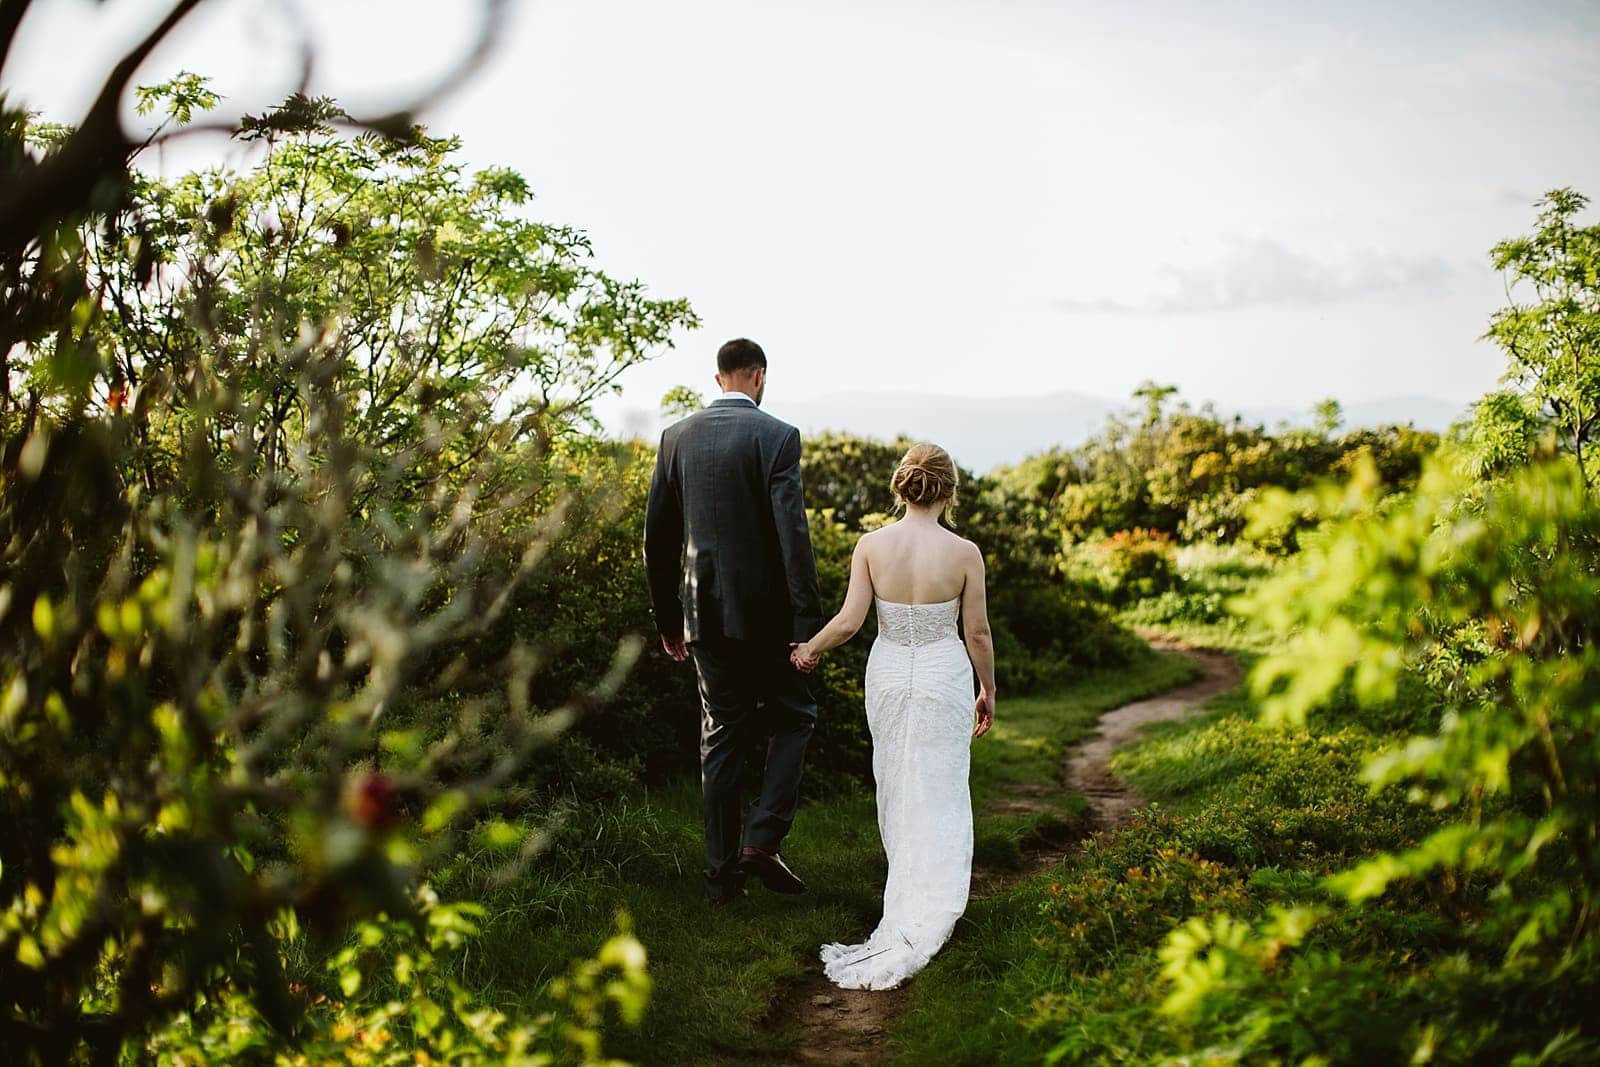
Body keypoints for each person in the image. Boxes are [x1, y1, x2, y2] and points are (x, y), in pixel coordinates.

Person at [790, 442, 996, 989]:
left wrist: (810, 648)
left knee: (898, 784)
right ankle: (932, 903)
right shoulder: (965, 553)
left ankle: (905, 902)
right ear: (949, 489)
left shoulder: (871, 545)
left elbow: (850, 620)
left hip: (887, 676)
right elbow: (975, 632)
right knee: (941, 787)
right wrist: (988, 688)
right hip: (943, 676)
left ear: (902, 485)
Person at [643, 338, 825, 904]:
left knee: (720, 736)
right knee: (795, 716)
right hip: (768, 619)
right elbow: (793, 536)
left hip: (702, 615)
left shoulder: (676, 438)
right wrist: (807, 622)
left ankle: (721, 877)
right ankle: (762, 839)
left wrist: (669, 619)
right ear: (759, 376)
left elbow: (658, 538)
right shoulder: (777, 437)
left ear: (718, 377)